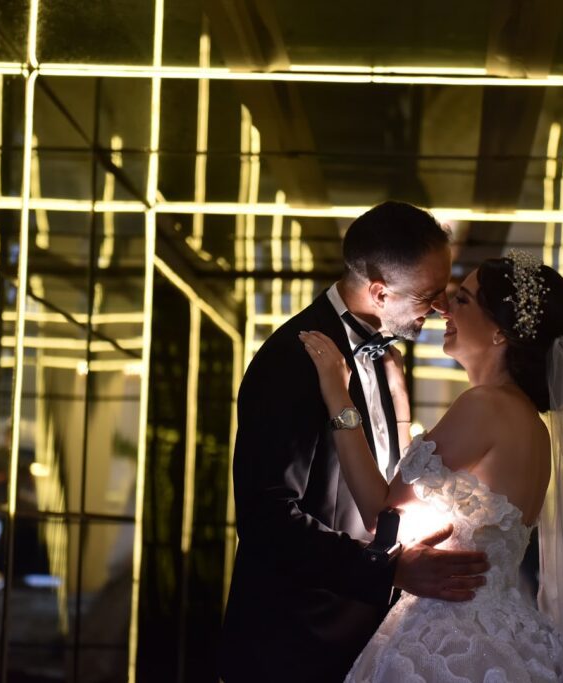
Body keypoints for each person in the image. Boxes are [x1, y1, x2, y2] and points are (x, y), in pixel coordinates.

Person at [301, 251, 563, 682]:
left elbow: (379, 511)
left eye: (462, 299)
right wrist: (400, 403)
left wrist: (338, 396)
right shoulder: (530, 425)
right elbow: (425, 485)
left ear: (499, 331)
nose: (443, 307)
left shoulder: (485, 406)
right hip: (504, 626)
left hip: (452, 638)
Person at [220, 202, 491, 683]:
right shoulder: (293, 360)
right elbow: (267, 519)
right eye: (429, 295)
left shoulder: (389, 362)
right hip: (295, 640)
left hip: (367, 636)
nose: (443, 307)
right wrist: (385, 572)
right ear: (380, 292)